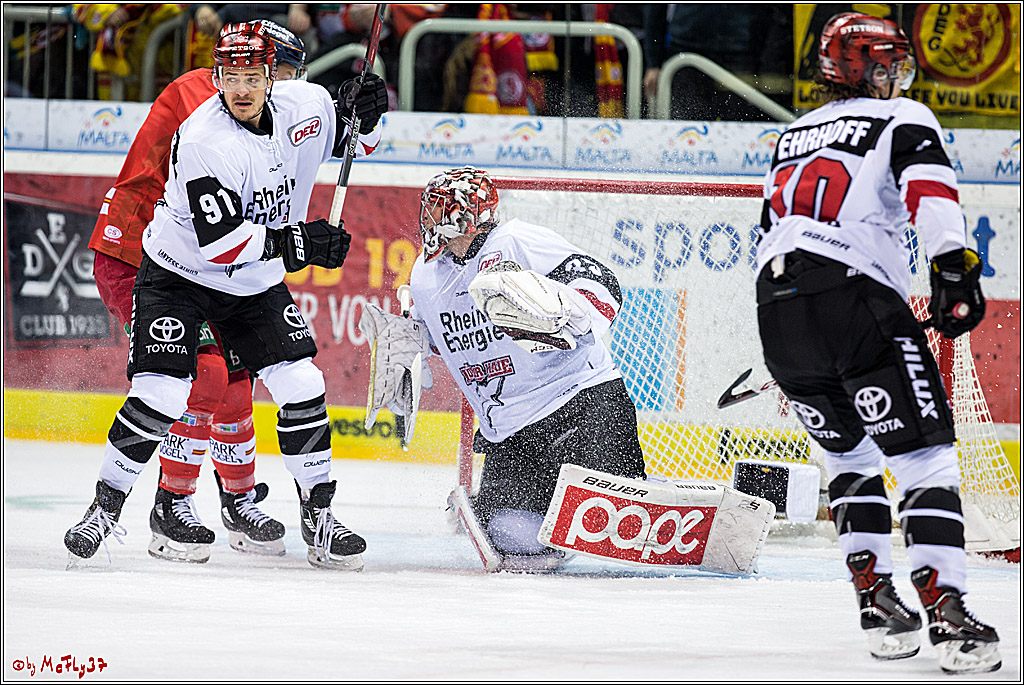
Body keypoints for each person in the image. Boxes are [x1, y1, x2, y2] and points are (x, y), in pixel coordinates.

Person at [66, 21, 388, 571]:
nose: (241, 89)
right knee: (167, 390)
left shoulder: (304, 102)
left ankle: (319, 516)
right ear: (215, 77)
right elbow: (225, 245)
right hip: (183, 275)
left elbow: (357, 139)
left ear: (273, 78)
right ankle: (107, 508)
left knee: (302, 380)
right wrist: (302, 242)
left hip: (250, 283)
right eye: (230, 76)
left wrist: (371, 113)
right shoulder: (203, 138)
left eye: (253, 76)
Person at [755, 13, 999, 674]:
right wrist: (954, 271)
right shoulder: (904, 116)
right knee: (923, 458)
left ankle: (877, 601)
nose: (897, 73)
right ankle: (946, 607)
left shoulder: (793, 132)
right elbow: (929, 189)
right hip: (856, 299)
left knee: (848, 458)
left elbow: (773, 231)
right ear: (863, 65)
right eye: (885, 60)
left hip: (776, 312)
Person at [363, 166, 648, 571]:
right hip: (511, 435)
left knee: (612, 509)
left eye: (440, 212)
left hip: (581, 404)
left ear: (467, 217)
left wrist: (566, 312)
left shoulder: (516, 242)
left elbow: (603, 286)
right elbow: (438, 339)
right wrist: (409, 341)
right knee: (514, 536)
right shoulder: (425, 277)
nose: (430, 221)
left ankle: (623, 495)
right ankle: (538, 508)